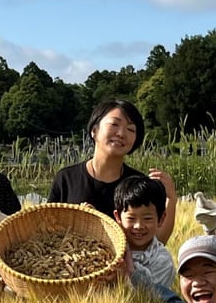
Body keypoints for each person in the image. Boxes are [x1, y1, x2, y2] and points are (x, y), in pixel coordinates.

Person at [48, 99, 178, 241]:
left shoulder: (138, 185)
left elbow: (157, 242)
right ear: (94, 130)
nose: (121, 133)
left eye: (131, 129)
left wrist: (171, 198)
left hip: (126, 263)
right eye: (114, 124)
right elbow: (48, 229)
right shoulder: (66, 178)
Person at [113, 175, 175, 286]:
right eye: (131, 218)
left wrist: (128, 273)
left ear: (161, 219)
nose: (138, 226)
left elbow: (154, 299)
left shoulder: (163, 261)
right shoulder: (110, 248)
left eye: (147, 218)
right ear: (118, 217)